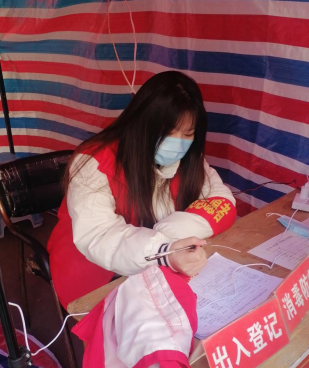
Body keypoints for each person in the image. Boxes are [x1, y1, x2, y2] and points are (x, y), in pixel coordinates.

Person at [47, 71, 237, 309]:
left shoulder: (190, 159)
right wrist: (164, 251)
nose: (177, 142)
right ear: (142, 122)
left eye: (187, 134)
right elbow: (99, 237)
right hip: (96, 271)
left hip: (166, 261)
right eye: (168, 131)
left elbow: (222, 201)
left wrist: (170, 235)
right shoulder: (95, 163)